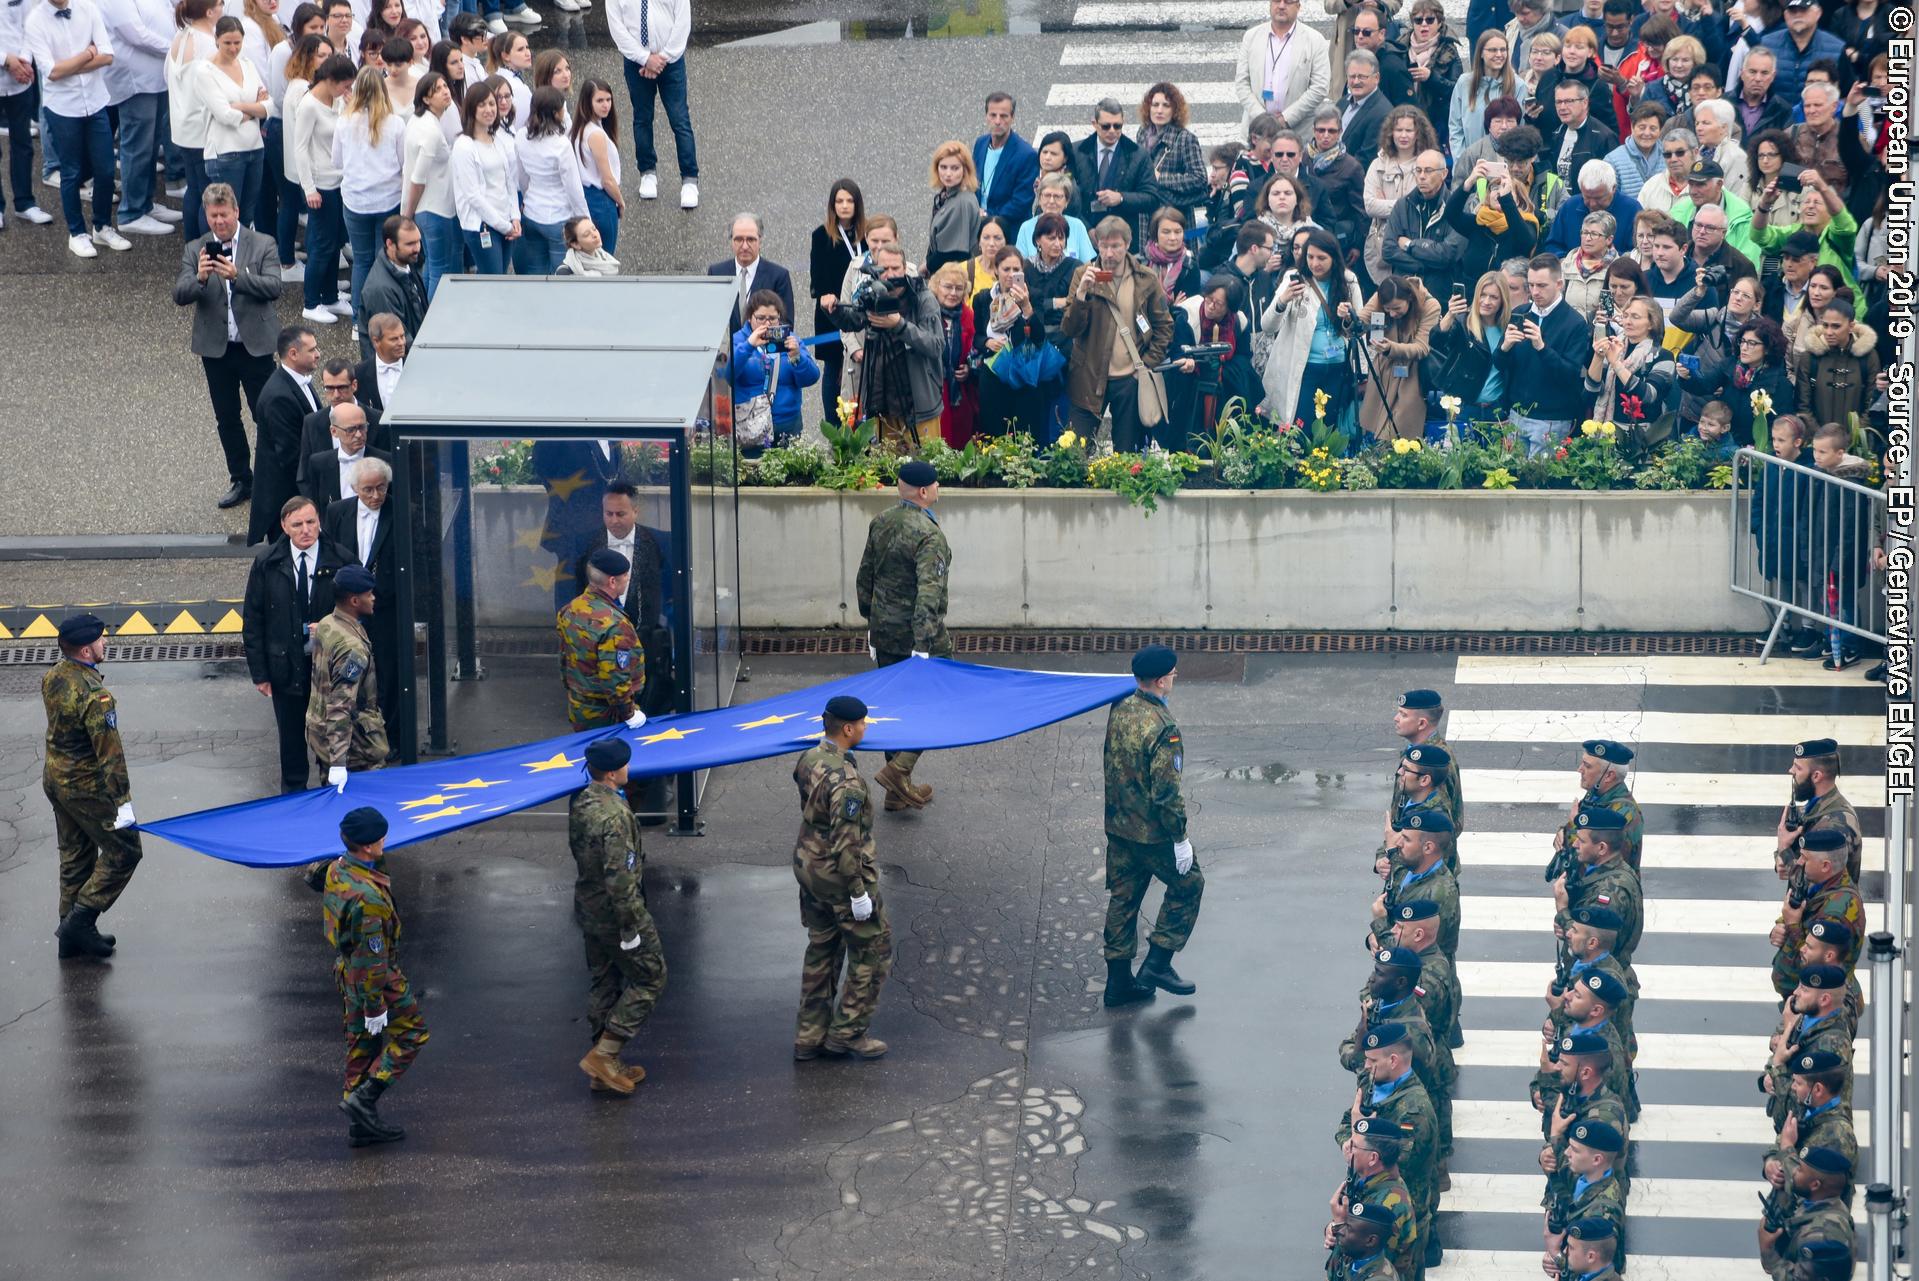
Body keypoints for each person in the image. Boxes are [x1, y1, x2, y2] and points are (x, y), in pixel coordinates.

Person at [791, 693, 893, 1061]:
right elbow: (847, 841)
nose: (866, 728)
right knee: (873, 950)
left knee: (822, 948)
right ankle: (848, 1032)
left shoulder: (809, 759)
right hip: (839, 876)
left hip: (809, 869)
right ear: (848, 729)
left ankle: (809, 1036)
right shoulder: (847, 781)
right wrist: (858, 893)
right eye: (863, 723)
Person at [1100, 644, 1201, 1006]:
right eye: (1173, 674)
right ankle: (1158, 962)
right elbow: (1166, 793)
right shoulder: (1163, 727)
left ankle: (1118, 984)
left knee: (1124, 900)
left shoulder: (1121, 706)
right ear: (1161, 680)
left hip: (1119, 826)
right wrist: (1180, 838)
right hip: (1151, 832)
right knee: (1189, 884)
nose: (1175, 678)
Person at [322, 805, 428, 1148]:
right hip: (373, 978)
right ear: (367, 846)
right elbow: (373, 959)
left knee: (362, 1047)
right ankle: (363, 1100)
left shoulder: (338, 869)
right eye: (381, 838)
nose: (385, 841)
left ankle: (361, 1126)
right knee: (413, 1033)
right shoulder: (368, 899)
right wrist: (374, 1007)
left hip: (347, 972)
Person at [175, 181, 284, 510]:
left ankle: (275, 476)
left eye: (224, 215)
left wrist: (238, 276)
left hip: (255, 346)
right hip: (216, 350)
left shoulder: (262, 243)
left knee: (265, 415)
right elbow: (180, 294)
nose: (218, 222)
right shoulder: (196, 249)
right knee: (227, 418)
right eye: (213, 216)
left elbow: (274, 287)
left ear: (236, 212)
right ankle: (241, 479)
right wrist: (201, 278)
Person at [42, 612, 143, 960]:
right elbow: (110, 756)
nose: (105, 643)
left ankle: (70, 941)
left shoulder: (55, 676)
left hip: (55, 779)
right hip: (84, 786)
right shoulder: (95, 696)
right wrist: (123, 805)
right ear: (86, 651)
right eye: (100, 639)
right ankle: (80, 921)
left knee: (75, 856)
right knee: (125, 851)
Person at [569, 735, 665, 1093]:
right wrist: (630, 928)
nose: (628, 768)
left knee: (604, 981)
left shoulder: (582, 801)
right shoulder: (615, 816)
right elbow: (621, 878)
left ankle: (603, 1068)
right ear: (612, 774)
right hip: (617, 913)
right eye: (624, 764)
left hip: (590, 907)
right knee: (651, 977)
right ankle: (605, 1054)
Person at [853, 458, 950, 809]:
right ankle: (900, 769)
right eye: (936, 485)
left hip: (884, 633)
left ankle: (896, 791)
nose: (939, 489)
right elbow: (929, 592)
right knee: (940, 700)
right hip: (919, 638)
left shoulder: (881, 522)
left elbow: (865, 578)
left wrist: (871, 623)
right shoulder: (929, 534)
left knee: (893, 708)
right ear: (924, 492)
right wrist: (924, 646)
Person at [1060, 215, 1175, 451]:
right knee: (1073, 455)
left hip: (1129, 379)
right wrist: (1081, 295)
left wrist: (1145, 364)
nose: (1109, 253)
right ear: (1097, 245)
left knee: (1128, 455)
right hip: (1088, 376)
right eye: (1104, 246)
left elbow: (1164, 326)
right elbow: (1069, 329)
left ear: (1128, 245)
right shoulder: (1083, 275)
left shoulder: (1146, 279)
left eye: (1116, 246)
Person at [27, 0, 131, 257]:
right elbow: (52, 71)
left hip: (95, 101)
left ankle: (102, 226)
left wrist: (70, 65)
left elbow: (107, 55)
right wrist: (87, 54)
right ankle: (77, 233)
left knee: (106, 169)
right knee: (71, 172)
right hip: (63, 107)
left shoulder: (88, 8)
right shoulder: (35, 21)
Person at [243, 495, 331, 792]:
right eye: (298, 524)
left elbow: (359, 611)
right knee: (291, 742)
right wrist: (261, 674)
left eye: (311, 522)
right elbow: (254, 622)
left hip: (328, 669)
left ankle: (331, 793)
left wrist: (332, 626)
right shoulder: (267, 563)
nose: (306, 529)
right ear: (284, 527)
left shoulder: (339, 558)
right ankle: (294, 799)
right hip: (285, 668)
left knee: (331, 737)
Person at [835, 244, 945, 450]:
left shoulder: (922, 298)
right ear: (874, 271)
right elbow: (852, 323)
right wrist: (833, 311)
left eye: (896, 268)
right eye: (884, 269)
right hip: (882, 402)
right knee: (885, 469)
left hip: (918, 403)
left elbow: (936, 346)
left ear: (905, 268)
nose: (891, 274)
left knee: (924, 465)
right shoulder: (872, 296)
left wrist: (899, 325)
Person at [1259, 224, 1362, 429]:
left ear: (1334, 258)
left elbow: (1359, 327)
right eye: (1310, 257)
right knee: (1302, 427)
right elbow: (1267, 325)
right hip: (1305, 367)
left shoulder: (1348, 280)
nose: (1315, 263)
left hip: (1337, 366)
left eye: (1321, 258)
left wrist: (1348, 318)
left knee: (1330, 430)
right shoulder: (1293, 278)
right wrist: (1283, 300)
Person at [305, 558, 386, 794]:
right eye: (368, 594)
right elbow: (340, 705)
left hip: (322, 736)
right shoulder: (352, 647)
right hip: (355, 750)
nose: (373, 598)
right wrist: (339, 763)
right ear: (354, 600)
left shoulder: (328, 624)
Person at [1497, 253, 1592, 452]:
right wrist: (1504, 348)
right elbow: (1500, 365)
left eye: (1541, 286)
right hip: (1517, 414)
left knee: (1540, 482)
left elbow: (1569, 375)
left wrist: (1542, 347)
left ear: (1559, 284)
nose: (1535, 292)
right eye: (1531, 285)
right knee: (1509, 480)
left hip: (1553, 419)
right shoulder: (1520, 313)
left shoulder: (1575, 323)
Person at [99, 0, 178, 238]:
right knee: (137, 147)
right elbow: (136, 34)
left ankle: (145, 203)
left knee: (151, 146)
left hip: (156, 77)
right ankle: (131, 213)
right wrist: (175, 48)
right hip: (135, 80)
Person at [332, 65, 403, 325]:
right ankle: (385, 316)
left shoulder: (343, 122)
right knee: (383, 260)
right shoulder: (395, 124)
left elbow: (336, 161)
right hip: (387, 200)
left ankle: (359, 320)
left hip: (355, 201)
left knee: (361, 261)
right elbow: (403, 162)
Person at [556, 546, 649, 731]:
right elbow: (615, 677)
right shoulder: (615, 625)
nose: (628, 578)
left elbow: (564, 659)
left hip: (579, 706)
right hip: (608, 716)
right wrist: (629, 714)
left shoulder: (570, 610)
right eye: (625, 575)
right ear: (613, 582)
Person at [292, 52, 352, 323]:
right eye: (344, 85)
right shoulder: (309, 105)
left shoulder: (338, 99)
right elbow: (300, 149)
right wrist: (309, 189)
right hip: (321, 185)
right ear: (329, 80)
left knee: (336, 241)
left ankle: (329, 296)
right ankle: (311, 301)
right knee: (321, 244)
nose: (347, 90)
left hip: (339, 180)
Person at [249, 323, 322, 545]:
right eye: (312, 350)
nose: (318, 355)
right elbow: (291, 455)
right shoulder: (278, 397)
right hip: (286, 497)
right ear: (293, 354)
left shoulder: (296, 381)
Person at [1676, 275, 1771, 427]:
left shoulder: (1762, 333)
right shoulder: (1714, 317)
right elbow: (1677, 317)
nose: (1738, 298)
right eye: (1735, 292)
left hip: (1729, 414)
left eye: (1745, 295)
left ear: (1757, 304)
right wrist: (1698, 291)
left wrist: (1728, 387)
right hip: (1696, 405)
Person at [731, 289, 820, 449]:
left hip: (787, 422)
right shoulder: (738, 341)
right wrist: (749, 346)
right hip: (749, 424)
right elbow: (727, 374)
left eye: (772, 318)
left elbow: (812, 377)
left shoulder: (791, 339)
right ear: (750, 317)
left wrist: (797, 357)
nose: (766, 324)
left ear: (779, 318)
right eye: (760, 318)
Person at [511, 85, 584, 274]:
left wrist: (527, 199)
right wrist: (585, 219)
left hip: (532, 212)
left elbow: (522, 177)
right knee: (561, 276)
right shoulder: (561, 144)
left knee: (536, 275)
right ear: (556, 113)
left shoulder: (521, 136)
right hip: (559, 216)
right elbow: (573, 188)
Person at [1357, 274, 1439, 442]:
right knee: (1373, 430)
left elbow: (1422, 347)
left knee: (1402, 434)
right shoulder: (1383, 294)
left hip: (1413, 375)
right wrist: (1348, 317)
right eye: (1387, 309)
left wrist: (1390, 348)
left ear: (1409, 298)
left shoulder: (1430, 305)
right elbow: (1360, 321)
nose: (1392, 314)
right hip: (1383, 372)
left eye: (1397, 308)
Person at [448, 76, 517, 273]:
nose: (489, 110)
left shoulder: (496, 139)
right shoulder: (464, 146)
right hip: (482, 226)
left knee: (500, 278)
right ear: (471, 109)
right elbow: (473, 196)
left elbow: (509, 182)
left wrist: (515, 217)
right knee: (492, 282)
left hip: (505, 221)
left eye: (491, 104)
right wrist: (504, 226)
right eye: (482, 105)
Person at [808, 180, 865, 416]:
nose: (844, 206)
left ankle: (862, 423)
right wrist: (824, 296)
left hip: (861, 311)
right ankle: (833, 423)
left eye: (849, 201)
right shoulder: (821, 235)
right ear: (832, 205)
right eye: (839, 201)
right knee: (834, 367)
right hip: (833, 312)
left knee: (861, 365)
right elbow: (817, 279)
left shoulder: (868, 234)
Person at [400, 72, 458, 298]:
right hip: (435, 209)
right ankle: (432, 320)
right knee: (439, 269)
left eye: (445, 86)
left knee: (431, 267)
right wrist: (408, 215)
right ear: (425, 99)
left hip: (428, 209)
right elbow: (418, 178)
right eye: (438, 90)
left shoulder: (418, 121)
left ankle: (422, 313)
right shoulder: (431, 131)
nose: (445, 91)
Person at [1427, 269, 1511, 421]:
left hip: (1496, 408)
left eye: (1493, 297)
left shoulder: (1508, 329)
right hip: (1464, 406)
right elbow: (1436, 341)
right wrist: (1450, 314)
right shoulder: (1463, 321)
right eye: (1483, 295)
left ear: (1502, 301)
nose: (1486, 301)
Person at [1232, 0, 1331, 128]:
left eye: (1288, 2)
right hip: (1257, 129)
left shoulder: (1315, 40)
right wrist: (1262, 119)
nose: (1281, 6)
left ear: (1298, 6)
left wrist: (1286, 118)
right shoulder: (1251, 37)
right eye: (1277, 1)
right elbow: (1242, 83)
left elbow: (1320, 87)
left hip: (1297, 130)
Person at [1362, 104, 1434, 280]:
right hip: (1379, 248)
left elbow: (1423, 203)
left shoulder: (1427, 163)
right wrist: (1404, 204)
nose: (1403, 135)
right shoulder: (1377, 165)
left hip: (1411, 246)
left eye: (1409, 130)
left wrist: (1387, 204)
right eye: (1398, 130)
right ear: (1390, 132)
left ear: (1418, 133)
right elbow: (1370, 206)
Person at [1072, 98, 1153, 245]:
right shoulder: (1076, 152)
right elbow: (1068, 197)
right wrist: (1087, 229)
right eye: (1106, 126)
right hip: (1085, 237)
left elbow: (1151, 198)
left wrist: (1121, 198)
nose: (1112, 131)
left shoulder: (1139, 155)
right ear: (1094, 124)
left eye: (1117, 126)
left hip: (1122, 241)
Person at [1135, 81, 1205, 238]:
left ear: (1175, 110)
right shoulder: (1142, 134)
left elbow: (1199, 178)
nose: (1159, 110)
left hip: (1175, 217)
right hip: (1146, 216)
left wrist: (1161, 178)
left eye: (1166, 105)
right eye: (1155, 105)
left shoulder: (1185, 139)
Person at [706, 211, 794, 335]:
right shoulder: (716, 272)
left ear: (760, 241)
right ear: (731, 241)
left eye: (751, 239)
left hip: (763, 351)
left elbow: (786, 324)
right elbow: (709, 318)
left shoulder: (778, 276)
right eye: (739, 239)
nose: (745, 246)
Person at [1794, 302, 1880, 428]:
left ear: (1851, 326)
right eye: (1825, 325)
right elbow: (1803, 406)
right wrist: (1821, 439)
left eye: (1836, 326)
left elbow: (1872, 403)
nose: (1829, 332)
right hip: (1817, 443)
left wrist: (1855, 439)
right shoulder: (1810, 357)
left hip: (1857, 444)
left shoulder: (1868, 357)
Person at [565, 77, 622, 256]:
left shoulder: (577, 130)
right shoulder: (595, 134)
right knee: (605, 257)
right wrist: (620, 201)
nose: (606, 105)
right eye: (599, 101)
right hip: (601, 200)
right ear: (587, 102)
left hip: (584, 197)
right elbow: (607, 179)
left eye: (608, 100)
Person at [357, 213, 425, 354]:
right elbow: (395, 341)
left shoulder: (407, 261)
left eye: (418, 241)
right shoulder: (381, 290)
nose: (417, 248)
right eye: (410, 244)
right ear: (390, 244)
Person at [928, 263, 979, 447]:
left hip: (960, 393)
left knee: (960, 443)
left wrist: (969, 367)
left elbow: (976, 351)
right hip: (933, 389)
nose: (953, 293)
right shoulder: (927, 312)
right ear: (936, 286)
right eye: (948, 286)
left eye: (959, 288)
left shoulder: (968, 315)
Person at [970, 91, 1038, 225]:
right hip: (979, 225)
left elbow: (1021, 202)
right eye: (993, 115)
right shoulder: (980, 143)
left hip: (1008, 230)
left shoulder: (1026, 154)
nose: (997, 121)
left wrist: (988, 216)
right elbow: (972, 181)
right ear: (986, 117)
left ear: (1012, 118)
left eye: (1003, 116)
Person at [1543, 160, 1637, 255]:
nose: (1592, 204)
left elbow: (1638, 253)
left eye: (1598, 198)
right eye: (1587, 197)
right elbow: (1553, 245)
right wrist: (1566, 261)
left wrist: (1607, 260)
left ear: (1613, 188)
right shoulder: (1569, 207)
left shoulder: (1632, 210)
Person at [304, 402, 386, 505]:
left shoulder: (385, 461)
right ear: (334, 431)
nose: (358, 435)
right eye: (350, 430)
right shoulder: (319, 463)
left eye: (362, 427)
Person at [1452, 30, 1515, 155]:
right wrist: (1461, 161)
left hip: (1503, 163)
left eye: (1503, 50)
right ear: (1481, 53)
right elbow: (1455, 127)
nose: (1499, 54)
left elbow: (1519, 130)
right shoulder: (1464, 83)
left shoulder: (1517, 85)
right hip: (1469, 163)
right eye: (1492, 50)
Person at [926, 138, 982, 274]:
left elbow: (953, 253)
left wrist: (927, 266)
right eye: (943, 167)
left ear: (965, 170)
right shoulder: (947, 195)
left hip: (952, 275)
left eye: (955, 168)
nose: (948, 174)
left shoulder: (962, 202)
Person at [1016, 172, 1094, 264]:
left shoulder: (1077, 226)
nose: (1051, 201)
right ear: (1039, 199)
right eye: (1047, 195)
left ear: (1066, 202)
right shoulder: (1026, 227)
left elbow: (1086, 266)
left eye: (1057, 196)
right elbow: (1020, 265)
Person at [1338, 50, 1393, 170]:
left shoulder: (1383, 113)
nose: (1356, 81)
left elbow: (1366, 159)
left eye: (1362, 77)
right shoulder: (1342, 103)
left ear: (1376, 78)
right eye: (1352, 76)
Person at [1605, 101, 1667, 201]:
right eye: (1642, 128)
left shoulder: (1668, 156)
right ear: (1632, 127)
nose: (1647, 133)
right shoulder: (1613, 160)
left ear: (1660, 130)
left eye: (1653, 128)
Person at [1561, 210, 1617, 316]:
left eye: (1594, 234)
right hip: (1570, 330)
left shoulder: (1617, 268)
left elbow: (1613, 312)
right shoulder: (1568, 263)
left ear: (1609, 239)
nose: (1587, 238)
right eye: (1585, 233)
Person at [354, 312, 406, 414]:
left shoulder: (418, 368)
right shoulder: (359, 374)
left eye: (402, 336)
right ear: (376, 341)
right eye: (394, 339)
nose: (401, 343)